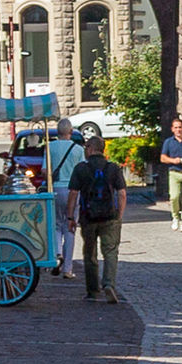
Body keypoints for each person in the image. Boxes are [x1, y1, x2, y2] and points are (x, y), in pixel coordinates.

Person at [66, 128, 127, 302]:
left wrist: (70, 217)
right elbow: (122, 193)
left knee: (90, 253)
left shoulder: (81, 169)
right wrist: (119, 215)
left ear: (91, 149)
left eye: (86, 147)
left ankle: (93, 291)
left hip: (88, 217)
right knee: (110, 252)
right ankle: (109, 284)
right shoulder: (113, 168)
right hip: (110, 216)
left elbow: (73, 194)